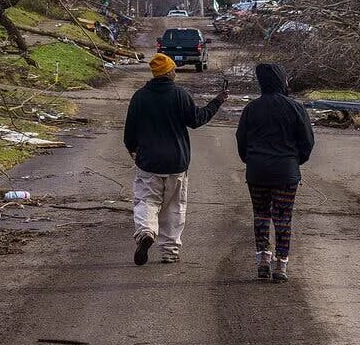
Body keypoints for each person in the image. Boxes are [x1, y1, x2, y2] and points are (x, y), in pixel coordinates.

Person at [123, 53, 226, 265]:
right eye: (174, 69)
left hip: (149, 162)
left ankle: (146, 231)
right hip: (176, 162)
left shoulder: (140, 97)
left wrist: (133, 150)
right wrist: (217, 102)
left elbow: (129, 132)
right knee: (174, 207)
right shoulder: (179, 95)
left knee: (146, 201)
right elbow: (197, 120)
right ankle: (170, 251)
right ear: (169, 72)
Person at [235, 61, 314, 282]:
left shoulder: (252, 108)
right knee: (283, 218)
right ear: (283, 81)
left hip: (257, 171)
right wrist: (296, 161)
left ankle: (262, 260)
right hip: (286, 171)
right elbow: (307, 141)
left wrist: (249, 160)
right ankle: (281, 265)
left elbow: (241, 139)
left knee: (260, 215)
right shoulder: (295, 108)